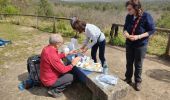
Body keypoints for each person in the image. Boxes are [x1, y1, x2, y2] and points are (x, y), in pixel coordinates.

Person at [123, 0, 155, 91]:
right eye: (127, 9)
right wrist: (126, 33)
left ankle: (137, 81)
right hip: (129, 43)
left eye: (129, 9)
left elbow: (151, 30)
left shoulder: (146, 16)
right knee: (129, 62)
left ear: (136, 8)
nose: (128, 11)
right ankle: (128, 78)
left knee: (138, 64)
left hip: (140, 44)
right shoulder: (129, 16)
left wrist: (139, 36)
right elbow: (125, 28)